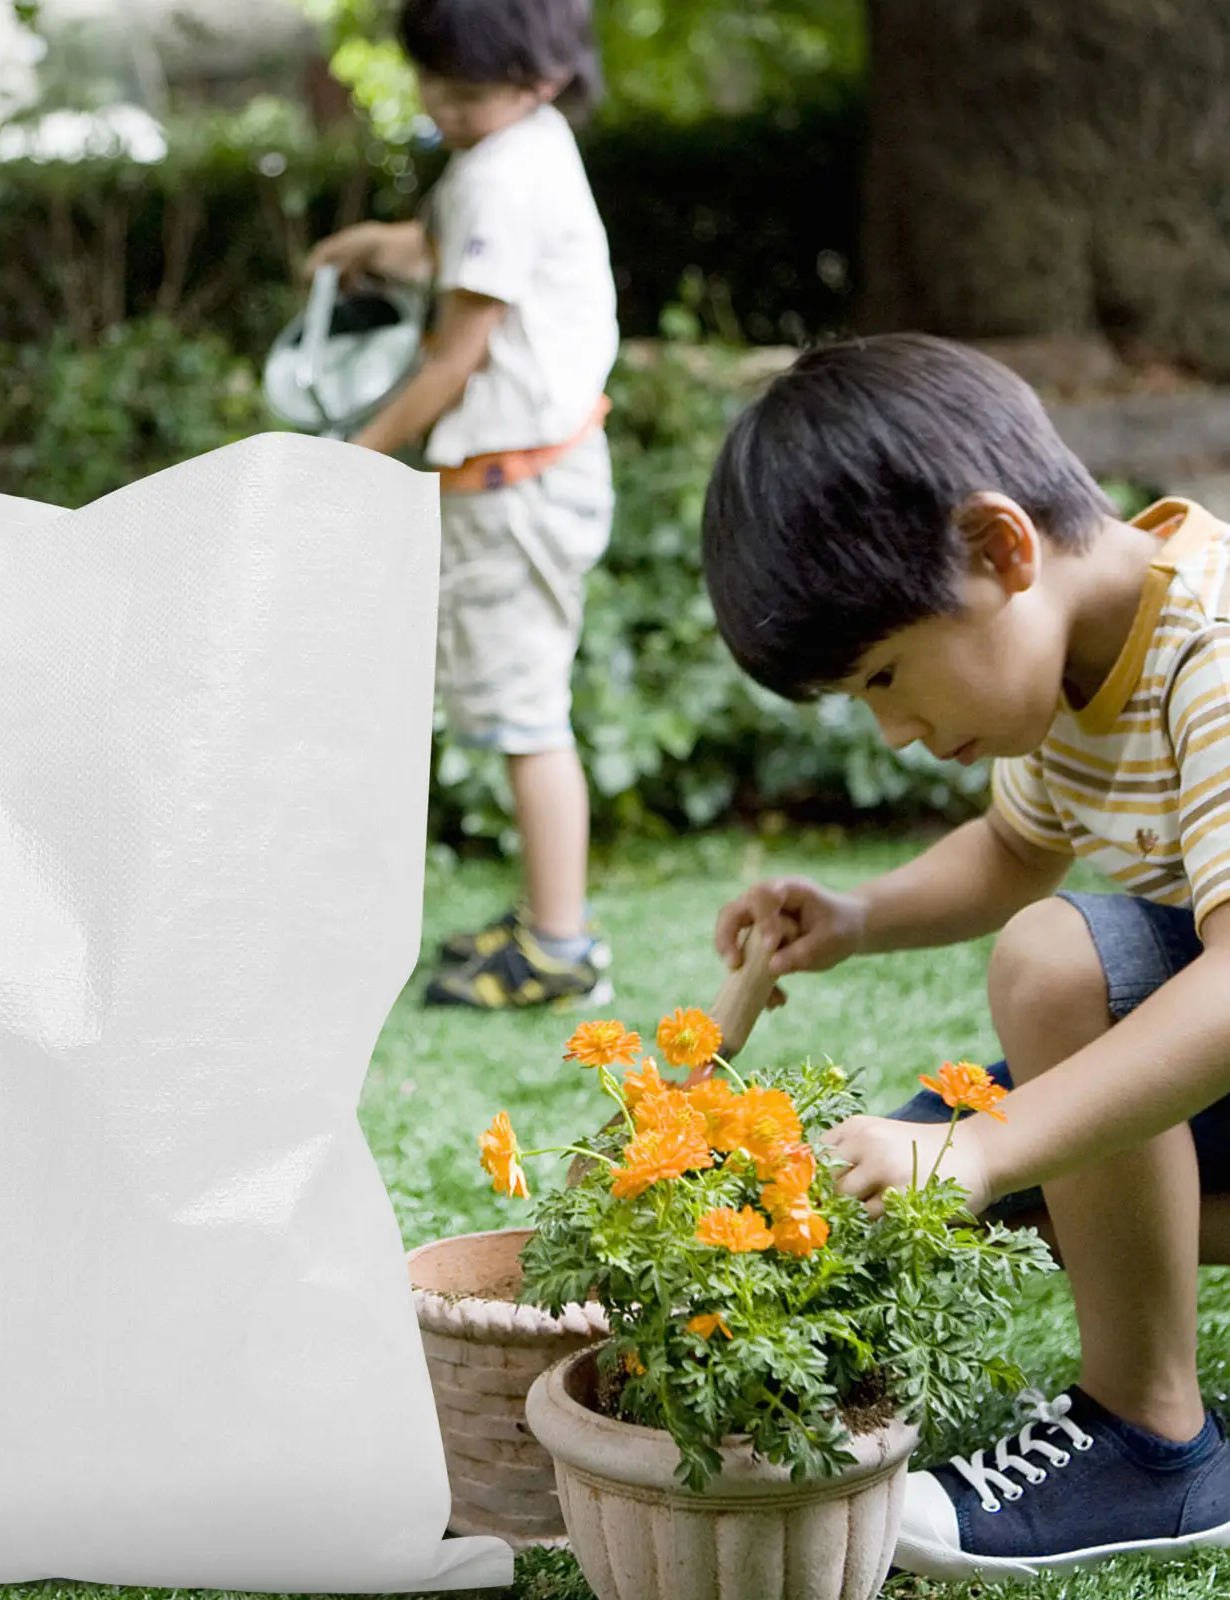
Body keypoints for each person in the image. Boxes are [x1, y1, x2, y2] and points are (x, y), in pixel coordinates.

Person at [703, 333, 1230, 1583]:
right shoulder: (1078, 664)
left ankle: (1153, 1438)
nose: (894, 729)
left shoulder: (1210, 651)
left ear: (999, 547)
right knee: (899, 1170)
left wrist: (984, 1149)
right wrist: (856, 915)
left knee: (1050, 971)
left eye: (886, 675)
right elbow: (1011, 847)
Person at [305, 0, 618, 1010]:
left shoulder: (503, 174)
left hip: (517, 490)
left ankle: (561, 948)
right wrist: (371, 243)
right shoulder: (517, 147)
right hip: (525, 479)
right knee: (514, 706)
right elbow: (448, 249)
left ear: (541, 78)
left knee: (527, 718)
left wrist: (351, 461)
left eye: (465, 91)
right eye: (431, 80)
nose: (440, 104)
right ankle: (543, 922)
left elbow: (454, 360)